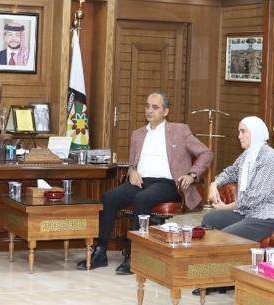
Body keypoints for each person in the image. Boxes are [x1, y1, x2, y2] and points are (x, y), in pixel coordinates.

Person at [83, 92, 212, 273]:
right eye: (147, 106)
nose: (149, 110)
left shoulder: (180, 131)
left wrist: (192, 175)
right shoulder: (137, 134)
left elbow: (206, 153)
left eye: (155, 107)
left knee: (142, 199)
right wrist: (132, 172)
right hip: (141, 181)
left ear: (165, 111)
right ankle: (100, 250)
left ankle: (134, 254)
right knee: (109, 197)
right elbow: (132, 165)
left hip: (167, 183)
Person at [202, 116, 274, 241]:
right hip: (249, 213)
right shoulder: (247, 155)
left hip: (272, 215)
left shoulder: (269, 157)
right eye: (239, 132)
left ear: (255, 132)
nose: (239, 136)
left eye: (243, 131)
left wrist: (225, 207)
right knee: (209, 219)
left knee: (225, 236)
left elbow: (252, 199)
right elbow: (231, 172)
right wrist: (214, 184)